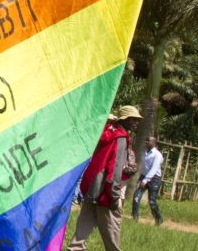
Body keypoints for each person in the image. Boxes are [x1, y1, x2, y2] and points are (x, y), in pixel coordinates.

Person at [66, 105, 142, 251]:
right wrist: (113, 195)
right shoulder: (121, 137)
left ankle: (75, 248)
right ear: (125, 119)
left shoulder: (106, 131)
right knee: (112, 227)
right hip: (104, 189)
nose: (136, 123)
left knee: (85, 222)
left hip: (91, 184)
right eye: (133, 119)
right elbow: (114, 167)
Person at [132, 136, 164, 226]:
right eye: (145, 140)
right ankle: (135, 218)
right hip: (144, 177)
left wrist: (145, 180)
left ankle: (158, 219)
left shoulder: (157, 155)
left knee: (152, 201)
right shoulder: (145, 152)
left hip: (154, 179)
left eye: (148, 141)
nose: (146, 142)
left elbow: (154, 169)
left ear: (154, 143)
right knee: (136, 197)